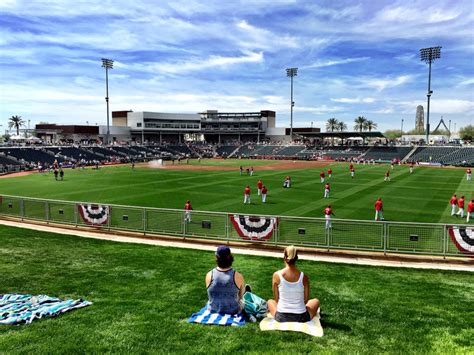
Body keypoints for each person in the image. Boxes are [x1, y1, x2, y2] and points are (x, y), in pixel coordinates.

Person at [267, 246, 320, 323]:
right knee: (316, 301)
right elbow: (306, 300)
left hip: (281, 317)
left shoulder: (276, 275)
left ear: (284, 258)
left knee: (270, 301)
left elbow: (276, 300)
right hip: (301, 317)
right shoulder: (304, 277)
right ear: (296, 258)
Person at [206, 246, 244, 315]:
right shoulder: (238, 276)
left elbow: (210, 296)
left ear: (216, 257)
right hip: (233, 311)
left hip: (213, 310)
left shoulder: (209, 275)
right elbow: (241, 297)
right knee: (243, 297)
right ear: (230, 258)